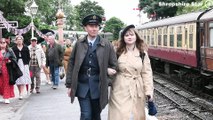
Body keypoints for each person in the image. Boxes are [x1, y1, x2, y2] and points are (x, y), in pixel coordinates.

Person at [65, 14, 117, 120]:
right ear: (85, 27)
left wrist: (107, 79)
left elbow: (114, 65)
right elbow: (71, 63)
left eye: (96, 26)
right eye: (91, 26)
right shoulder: (79, 44)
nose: (94, 29)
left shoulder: (106, 44)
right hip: (82, 85)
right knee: (86, 115)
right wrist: (69, 84)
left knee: (96, 115)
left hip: (98, 86)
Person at [108, 25, 154, 120]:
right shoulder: (117, 52)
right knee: (119, 115)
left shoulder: (142, 53)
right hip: (119, 88)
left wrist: (149, 91)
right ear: (123, 38)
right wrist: (108, 70)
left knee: (137, 115)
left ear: (136, 36)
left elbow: (147, 73)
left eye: (131, 35)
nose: (129, 37)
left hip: (137, 88)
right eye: (126, 35)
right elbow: (108, 65)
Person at [12, 35, 31, 100]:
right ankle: (19, 91)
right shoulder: (13, 48)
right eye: (18, 39)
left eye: (20, 39)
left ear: (22, 40)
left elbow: (28, 56)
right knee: (17, 78)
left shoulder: (25, 48)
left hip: (24, 64)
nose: (19, 40)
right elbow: (12, 57)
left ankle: (21, 93)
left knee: (23, 78)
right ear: (16, 41)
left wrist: (27, 63)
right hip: (16, 64)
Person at [0, 38, 16, 104]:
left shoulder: (9, 50)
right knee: (0, 83)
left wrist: (10, 60)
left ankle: (6, 97)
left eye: (4, 43)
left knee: (6, 82)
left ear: (6, 43)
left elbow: (14, 58)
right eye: (1, 43)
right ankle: (1, 96)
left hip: (7, 68)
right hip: (0, 68)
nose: (2, 44)